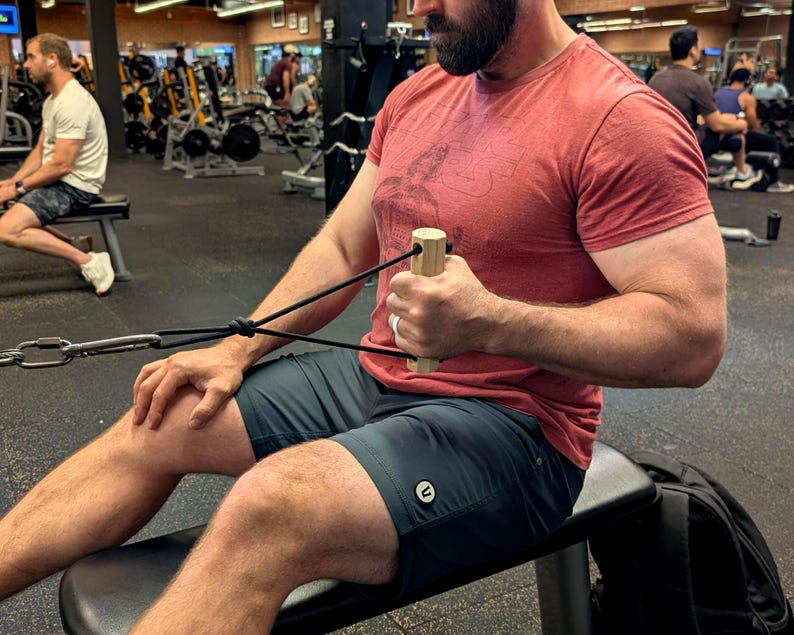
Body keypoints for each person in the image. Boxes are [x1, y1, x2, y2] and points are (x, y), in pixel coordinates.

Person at [0, 2, 727, 632]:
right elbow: (345, 243)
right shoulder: (421, 96)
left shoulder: (619, 119)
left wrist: (490, 322)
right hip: (374, 377)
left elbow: (692, 337)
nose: (421, 11)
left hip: (516, 428)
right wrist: (238, 346)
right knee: (164, 408)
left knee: (275, 506)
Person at [0, 33, 113, 295]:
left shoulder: (73, 103)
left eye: (31, 57)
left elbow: (62, 165)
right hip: (60, 180)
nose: (26, 65)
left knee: (5, 229)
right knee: (11, 199)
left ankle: (90, 262)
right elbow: (41, 152)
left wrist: (17, 188)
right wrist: (11, 183)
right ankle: (76, 244)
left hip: (76, 186)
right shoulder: (53, 101)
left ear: (52, 60)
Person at [649, 25, 762, 189]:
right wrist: (741, 124)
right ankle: (742, 172)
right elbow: (717, 125)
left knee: (724, 120)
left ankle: (722, 163)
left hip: (656, 144)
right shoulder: (697, 82)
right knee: (733, 130)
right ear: (693, 50)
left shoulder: (656, 78)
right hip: (683, 147)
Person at [714, 68, 794, 193]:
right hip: (734, 135)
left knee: (752, 138)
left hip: (716, 135)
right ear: (748, 81)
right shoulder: (746, 97)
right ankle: (774, 182)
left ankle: (743, 169)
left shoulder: (718, 93)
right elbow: (753, 125)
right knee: (770, 141)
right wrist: (761, 131)